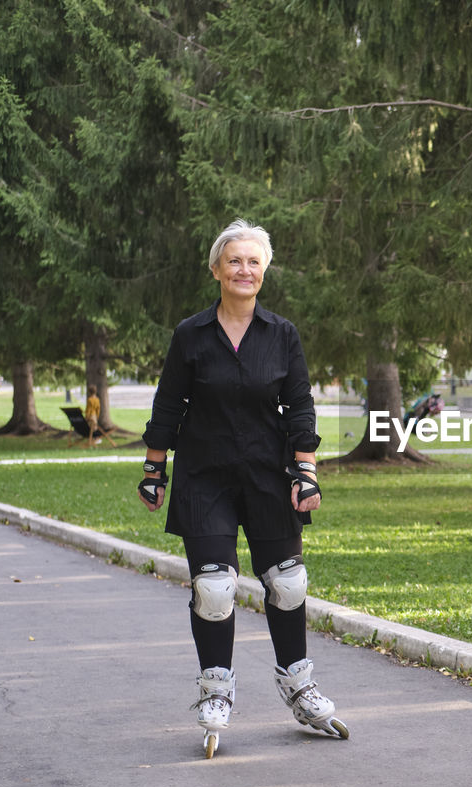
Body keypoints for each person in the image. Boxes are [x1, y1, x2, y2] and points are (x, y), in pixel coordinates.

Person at [137, 218, 345, 757]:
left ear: (265, 270)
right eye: (234, 261)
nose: (244, 270)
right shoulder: (191, 335)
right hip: (204, 475)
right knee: (213, 588)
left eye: (254, 262)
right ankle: (216, 691)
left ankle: (299, 685)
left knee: (289, 582)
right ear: (216, 270)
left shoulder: (282, 334)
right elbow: (168, 405)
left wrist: (307, 471)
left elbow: (300, 407)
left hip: (268, 474)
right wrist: (154, 468)